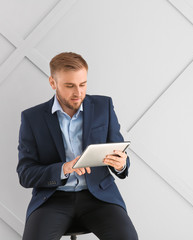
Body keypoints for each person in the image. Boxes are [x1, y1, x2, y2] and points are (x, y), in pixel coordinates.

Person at [17, 52, 138, 240]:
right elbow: (25, 174)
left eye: (83, 84)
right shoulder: (32, 118)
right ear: (52, 83)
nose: (78, 92)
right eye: (70, 86)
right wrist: (63, 169)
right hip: (52, 199)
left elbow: (121, 155)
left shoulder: (103, 106)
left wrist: (121, 164)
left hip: (99, 197)